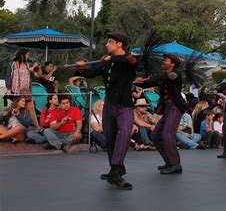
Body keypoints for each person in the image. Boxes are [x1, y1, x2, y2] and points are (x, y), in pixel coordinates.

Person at [76, 31, 137, 190]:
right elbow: (91, 73)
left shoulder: (128, 60)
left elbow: (133, 61)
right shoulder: (106, 61)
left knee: (124, 133)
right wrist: (81, 68)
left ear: (119, 44)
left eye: (110, 42)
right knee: (109, 138)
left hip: (125, 105)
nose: (106, 44)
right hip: (109, 104)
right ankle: (114, 169)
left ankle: (116, 171)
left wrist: (113, 58)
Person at [135, 54, 186, 175]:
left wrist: (149, 78)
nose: (164, 62)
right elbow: (151, 82)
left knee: (167, 134)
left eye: (166, 60)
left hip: (175, 107)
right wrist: (139, 82)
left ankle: (176, 165)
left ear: (172, 64)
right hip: (168, 108)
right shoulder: (163, 76)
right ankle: (169, 162)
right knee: (156, 135)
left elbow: (167, 76)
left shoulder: (175, 74)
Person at [5, 48, 41, 130]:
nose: (28, 56)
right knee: (13, 108)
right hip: (17, 90)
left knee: (32, 109)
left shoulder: (27, 65)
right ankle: (8, 124)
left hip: (27, 91)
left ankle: (37, 128)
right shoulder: (12, 64)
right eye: (27, 54)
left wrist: (37, 68)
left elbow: (34, 75)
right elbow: (8, 76)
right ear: (22, 55)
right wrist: (9, 88)